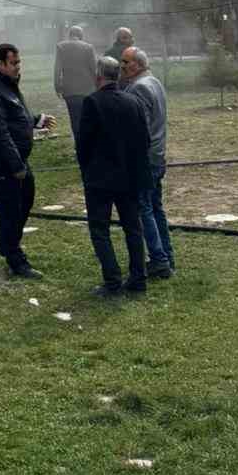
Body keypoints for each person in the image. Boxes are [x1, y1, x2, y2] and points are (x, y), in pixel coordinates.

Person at [0, 43, 55, 280]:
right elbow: (0, 132)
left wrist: (36, 120)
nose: (17, 67)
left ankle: (6, 242)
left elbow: (15, 117)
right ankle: (16, 260)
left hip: (17, 160)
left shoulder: (9, 85)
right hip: (2, 163)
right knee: (10, 209)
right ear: (0, 64)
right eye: (13, 63)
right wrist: (16, 167)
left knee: (27, 197)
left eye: (19, 62)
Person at [76, 56, 151, 296]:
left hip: (100, 179)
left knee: (100, 230)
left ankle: (112, 281)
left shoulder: (92, 102)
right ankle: (138, 278)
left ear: (98, 76)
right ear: (117, 75)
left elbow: (83, 144)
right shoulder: (134, 101)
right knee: (133, 228)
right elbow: (145, 140)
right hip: (130, 177)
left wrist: (86, 170)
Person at [120, 47, 174, 280]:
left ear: (138, 65)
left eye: (126, 62)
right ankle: (167, 256)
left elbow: (138, 129)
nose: (122, 66)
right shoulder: (154, 81)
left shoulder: (139, 88)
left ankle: (159, 261)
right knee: (155, 207)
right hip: (157, 155)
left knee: (144, 208)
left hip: (146, 158)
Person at [53, 25, 98, 137]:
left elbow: (57, 68)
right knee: (88, 118)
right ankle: (89, 142)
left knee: (75, 119)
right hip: (88, 90)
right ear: (81, 35)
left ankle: (79, 144)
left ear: (70, 34)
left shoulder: (61, 47)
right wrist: (98, 85)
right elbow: (94, 69)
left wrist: (58, 86)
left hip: (70, 90)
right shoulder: (88, 47)